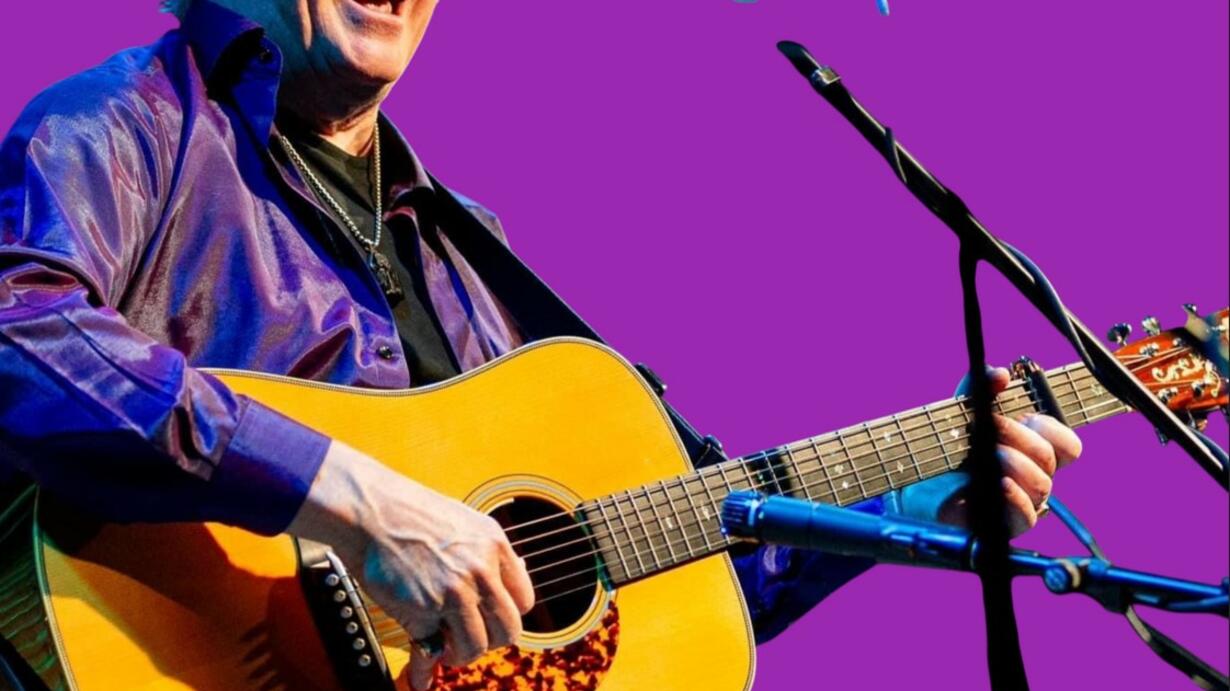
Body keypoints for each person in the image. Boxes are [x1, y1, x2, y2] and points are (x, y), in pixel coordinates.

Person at [0, 1, 1081, 689]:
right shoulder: (128, 127)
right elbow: (19, 330)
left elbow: (673, 582)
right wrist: (355, 499)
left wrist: (897, 510)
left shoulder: (468, 257)